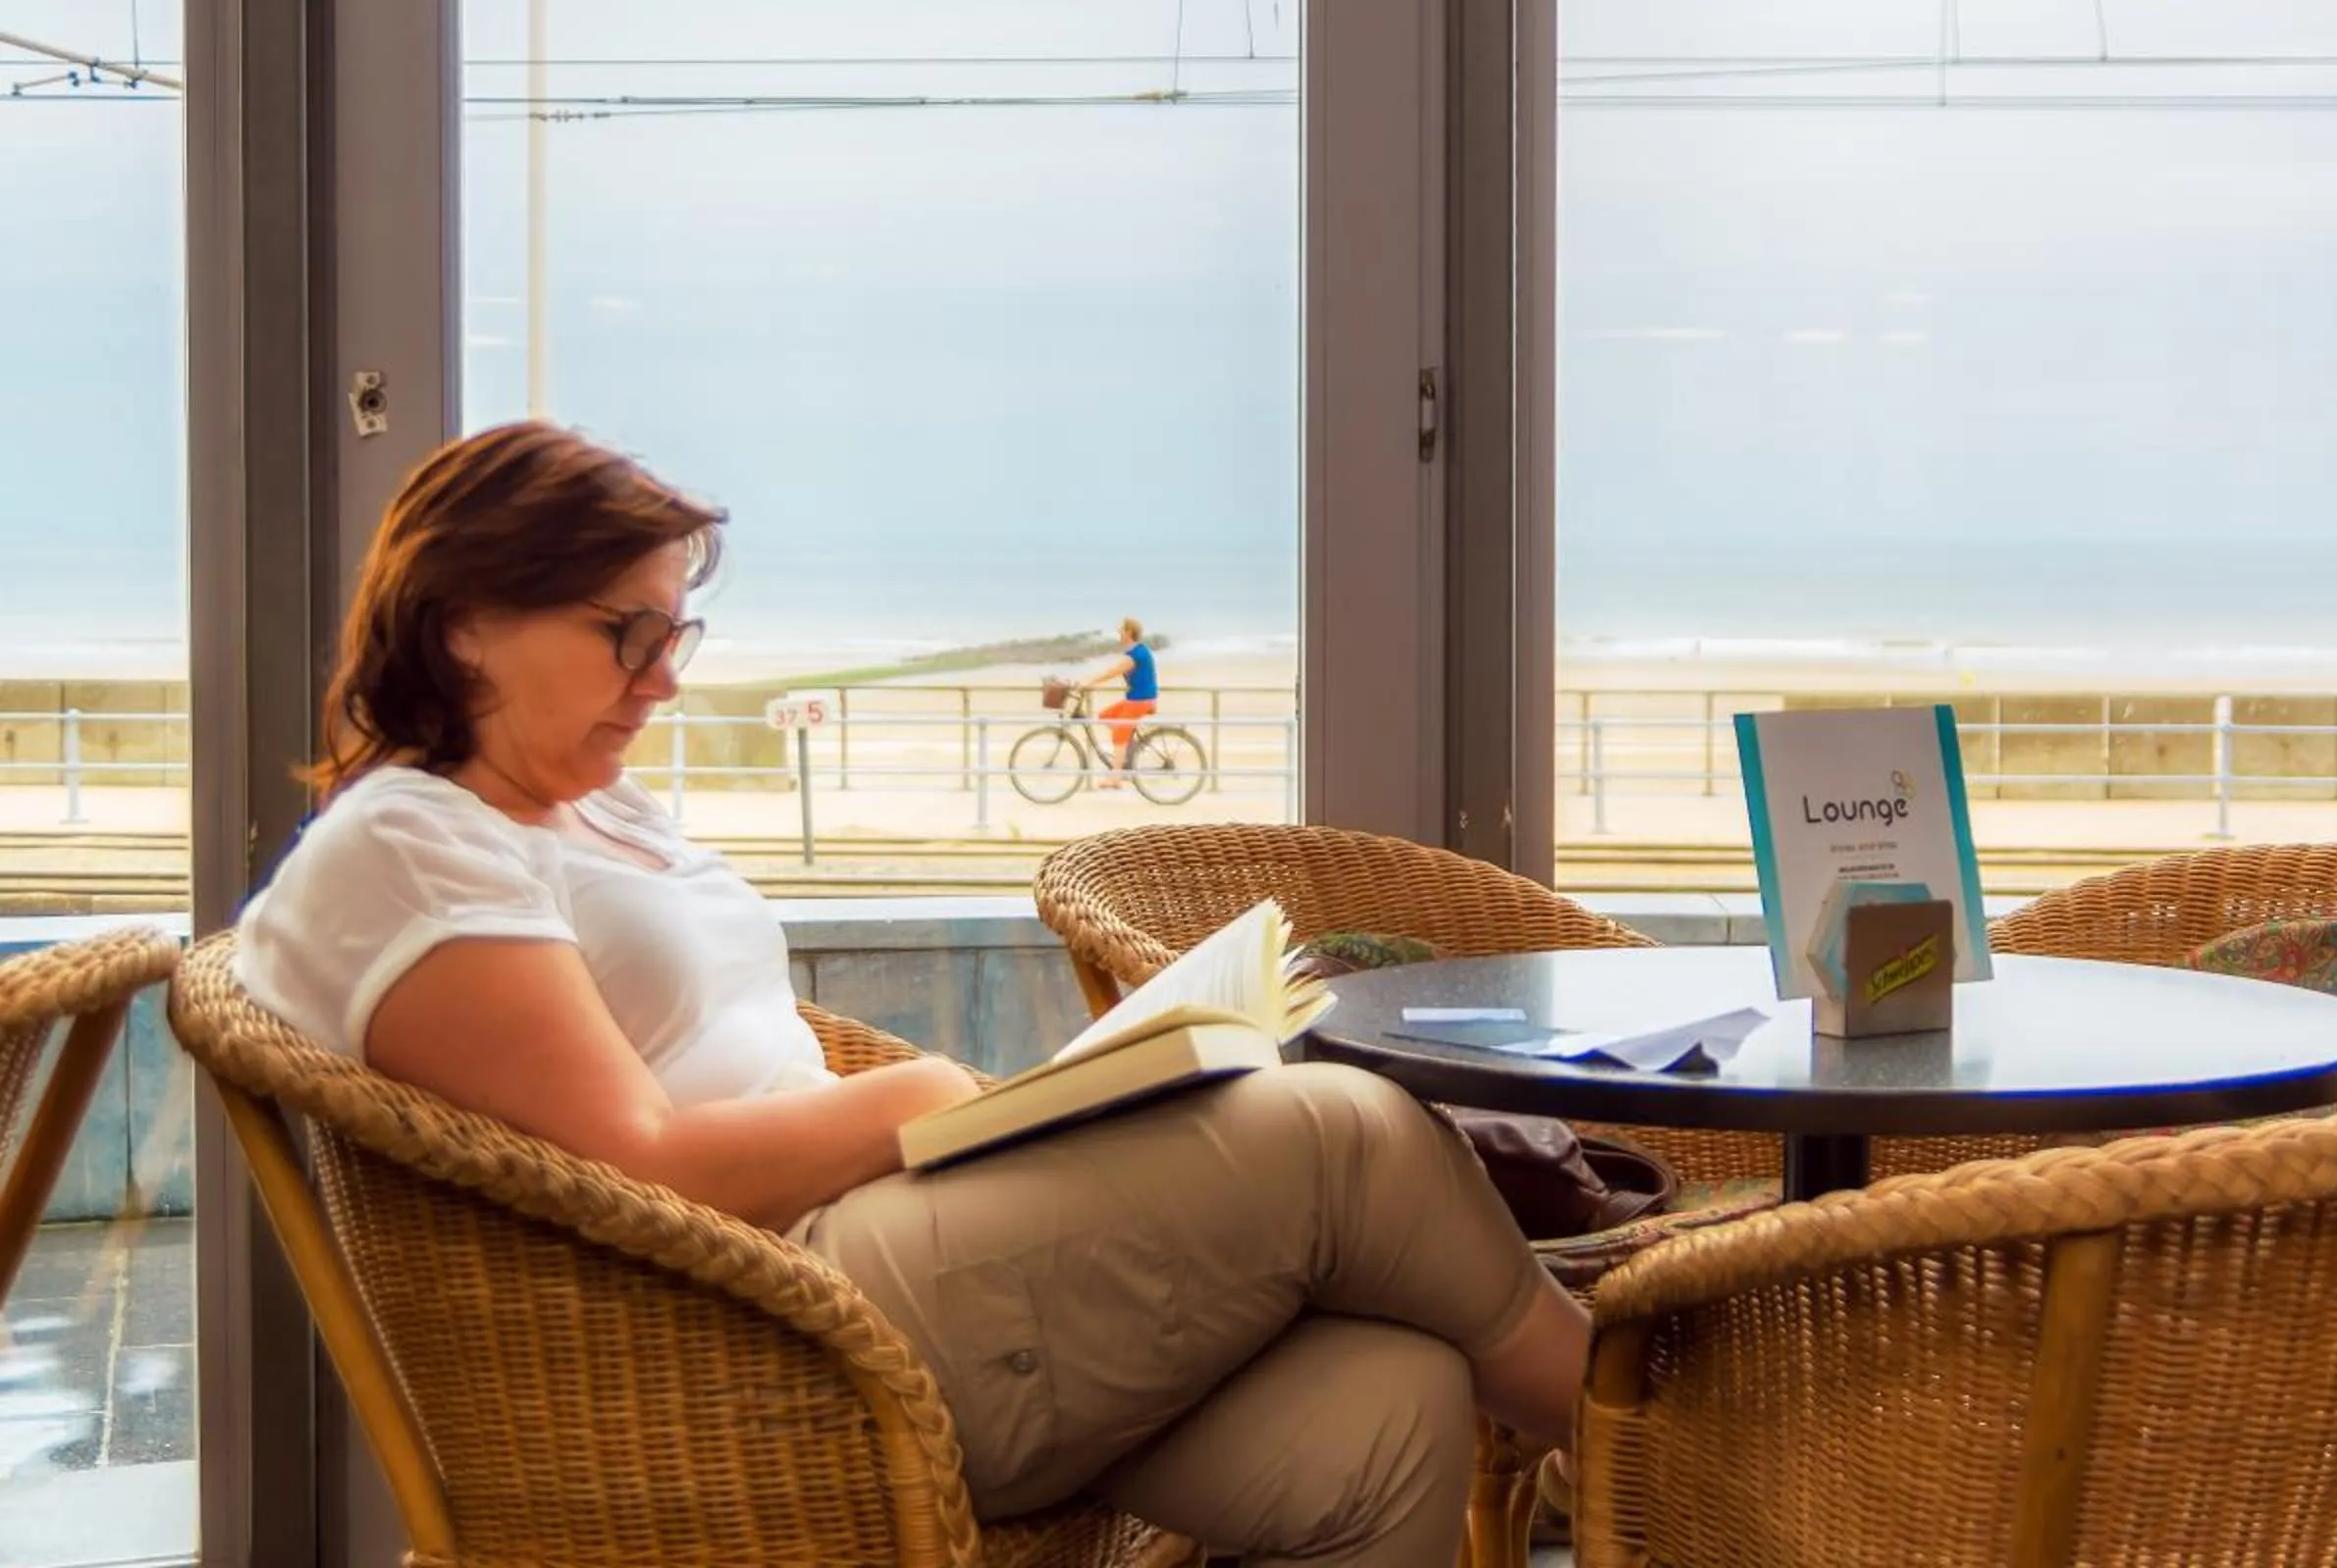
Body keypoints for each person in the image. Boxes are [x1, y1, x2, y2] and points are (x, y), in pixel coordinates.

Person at [230, 422, 1584, 1568]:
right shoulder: (405, 845)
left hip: (872, 1253)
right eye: (624, 633)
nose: (664, 676)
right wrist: (928, 1098)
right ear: (463, 621)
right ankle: (1655, 1438)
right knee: (1341, 1133)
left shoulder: (587, 809)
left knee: (1386, 1411)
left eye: (677, 631)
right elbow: (642, 1170)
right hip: (768, 1326)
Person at [1085, 615, 1158, 789]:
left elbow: (1114, 671)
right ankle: (1129, 749)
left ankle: (1115, 778)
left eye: (1121, 630)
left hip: (1140, 700)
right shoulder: (1136, 650)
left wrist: (1090, 682)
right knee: (1105, 716)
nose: (1119, 633)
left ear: (1129, 632)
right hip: (1135, 699)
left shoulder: (1136, 654)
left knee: (1118, 736)